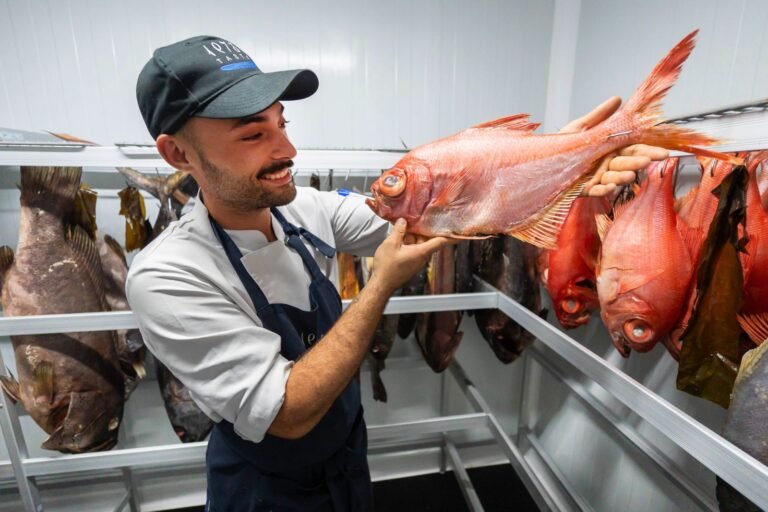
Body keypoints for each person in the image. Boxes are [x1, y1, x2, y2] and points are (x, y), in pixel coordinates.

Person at [127, 35, 667, 512]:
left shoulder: (304, 209)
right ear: (178, 153)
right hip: (265, 491)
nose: (287, 150)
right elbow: (284, 413)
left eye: (282, 124)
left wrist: (544, 167)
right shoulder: (168, 276)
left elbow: (434, 214)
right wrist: (381, 283)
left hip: (345, 459)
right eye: (252, 136)